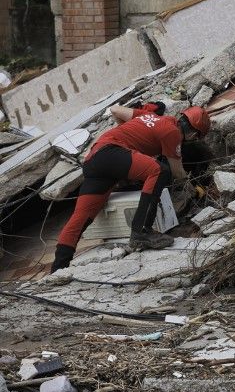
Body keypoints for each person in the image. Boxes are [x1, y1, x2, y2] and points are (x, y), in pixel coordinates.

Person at [50, 104, 211, 273]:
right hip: (112, 153)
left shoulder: (151, 117)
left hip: (95, 159)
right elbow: (177, 171)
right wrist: (194, 185)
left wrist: (127, 137)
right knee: (159, 171)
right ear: (193, 133)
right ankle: (142, 231)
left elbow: (115, 110)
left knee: (81, 217)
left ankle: (58, 269)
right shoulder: (173, 133)